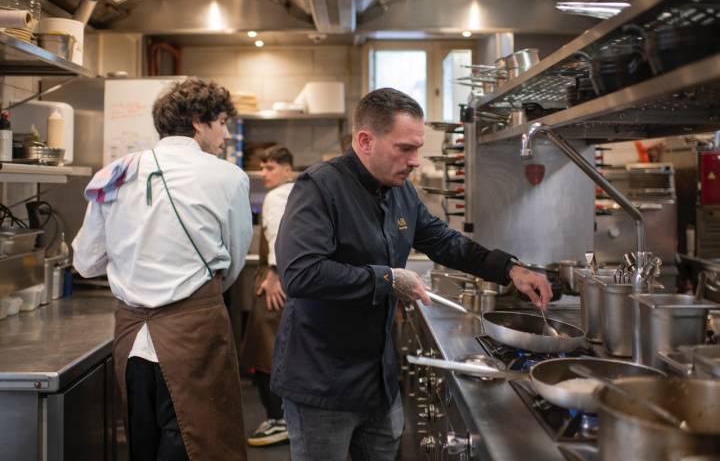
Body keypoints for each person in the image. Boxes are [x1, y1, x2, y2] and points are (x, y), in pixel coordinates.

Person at [271, 87, 552, 461]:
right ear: (365, 140)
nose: (415, 160)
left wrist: (510, 269)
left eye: (418, 148)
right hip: (323, 383)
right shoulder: (321, 187)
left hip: (379, 381)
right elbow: (301, 274)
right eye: (405, 148)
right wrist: (388, 279)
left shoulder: (401, 192)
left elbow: (445, 241)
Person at [72, 77, 252, 461]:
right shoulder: (228, 176)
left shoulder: (114, 174)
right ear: (197, 122)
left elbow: (85, 263)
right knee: (203, 443)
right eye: (221, 122)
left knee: (144, 442)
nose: (225, 134)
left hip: (132, 339)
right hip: (197, 333)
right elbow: (234, 262)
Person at [237, 146, 294, 447]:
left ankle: (279, 419)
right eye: (263, 167)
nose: (264, 173)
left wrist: (273, 274)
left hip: (276, 283)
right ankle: (284, 416)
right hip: (287, 281)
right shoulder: (296, 192)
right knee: (275, 353)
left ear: (288, 169)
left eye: (271, 167)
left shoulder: (277, 196)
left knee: (265, 355)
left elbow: (278, 236)